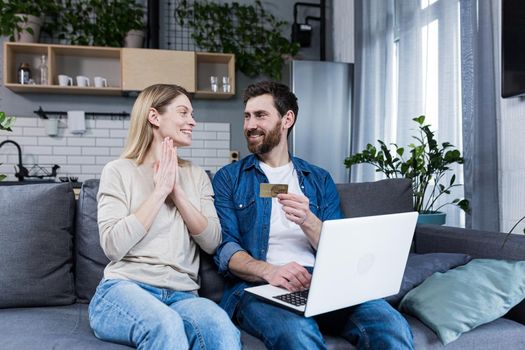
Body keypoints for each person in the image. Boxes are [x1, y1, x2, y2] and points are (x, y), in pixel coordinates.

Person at [212, 81, 414, 349]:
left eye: (260, 115)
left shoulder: (318, 179)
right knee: (296, 333)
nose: (250, 125)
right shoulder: (229, 178)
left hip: (323, 284)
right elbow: (226, 248)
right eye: (247, 116)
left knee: (391, 325)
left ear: (287, 119)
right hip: (259, 287)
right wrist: (271, 271)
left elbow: (340, 249)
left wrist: (308, 220)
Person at [89, 84, 241, 350]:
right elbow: (113, 246)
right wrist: (159, 191)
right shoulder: (118, 171)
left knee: (222, 328)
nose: (192, 121)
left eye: (192, 114)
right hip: (125, 289)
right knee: (166, 325)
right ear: (154, 117)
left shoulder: (196, 175)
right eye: (183, 113)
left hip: (183, 296)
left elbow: (212, 242)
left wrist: (177, 192)